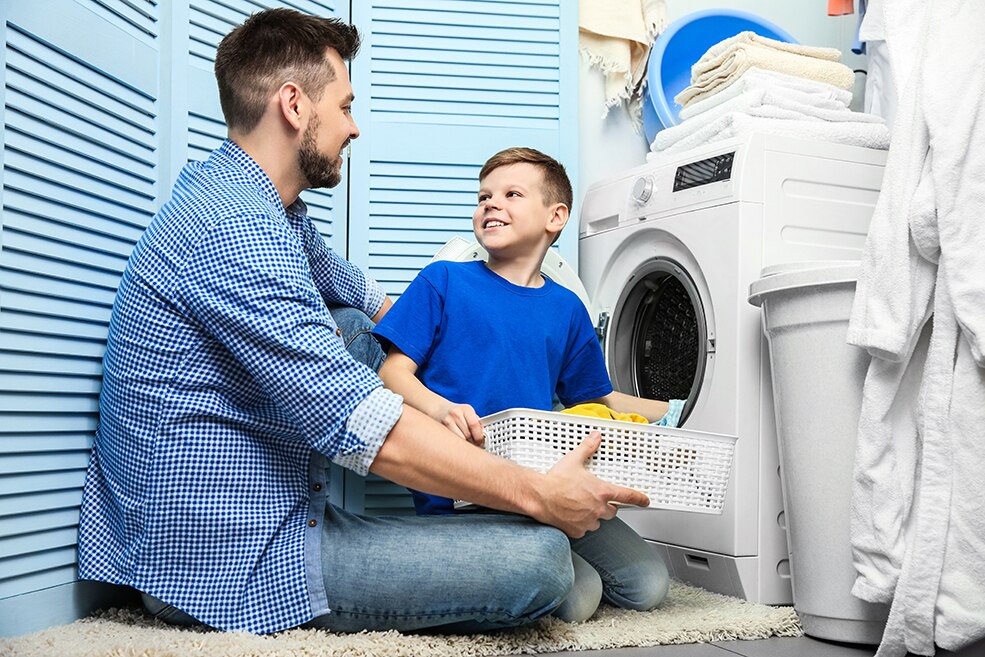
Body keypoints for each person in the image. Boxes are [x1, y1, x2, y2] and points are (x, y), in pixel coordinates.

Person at [75, 8, 651, 636]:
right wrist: (536, 493)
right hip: (230, 560)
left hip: (284, 511)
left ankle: (467, 507)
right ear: (295, 106)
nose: (353, 128)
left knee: (352, 321)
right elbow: (363, 427)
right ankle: (482, 510)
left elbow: (358, 295)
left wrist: (438, 365)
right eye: (345, 106)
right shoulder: (234, 229)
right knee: (542, 562)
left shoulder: (264, 205)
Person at [373, 147, 672, 622]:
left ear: (556, 217)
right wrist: (439, 409)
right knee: (581, 597)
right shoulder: (443, 282)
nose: (491, 204)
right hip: (464, 492)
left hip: (544, 482)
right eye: (484, 196)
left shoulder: (567, 309)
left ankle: (541, 547)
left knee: (647, 585)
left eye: (512, 194)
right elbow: (391, 373)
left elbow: (599, 400)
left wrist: (678, 410)